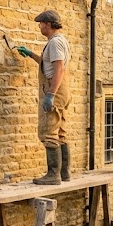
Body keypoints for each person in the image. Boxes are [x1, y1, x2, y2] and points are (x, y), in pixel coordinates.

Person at [16, 10, 71, 185]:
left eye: (40, 23)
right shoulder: (59, 41)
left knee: (48, 132)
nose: (39, 26)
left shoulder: (55, 43)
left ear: (48, 24)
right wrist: (31, 54)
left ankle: (53, 175)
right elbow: (49, 64)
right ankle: (64, 173)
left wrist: (51, 94)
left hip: (54, 89)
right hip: (62, 90)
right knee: (60, 132)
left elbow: (59, 68)